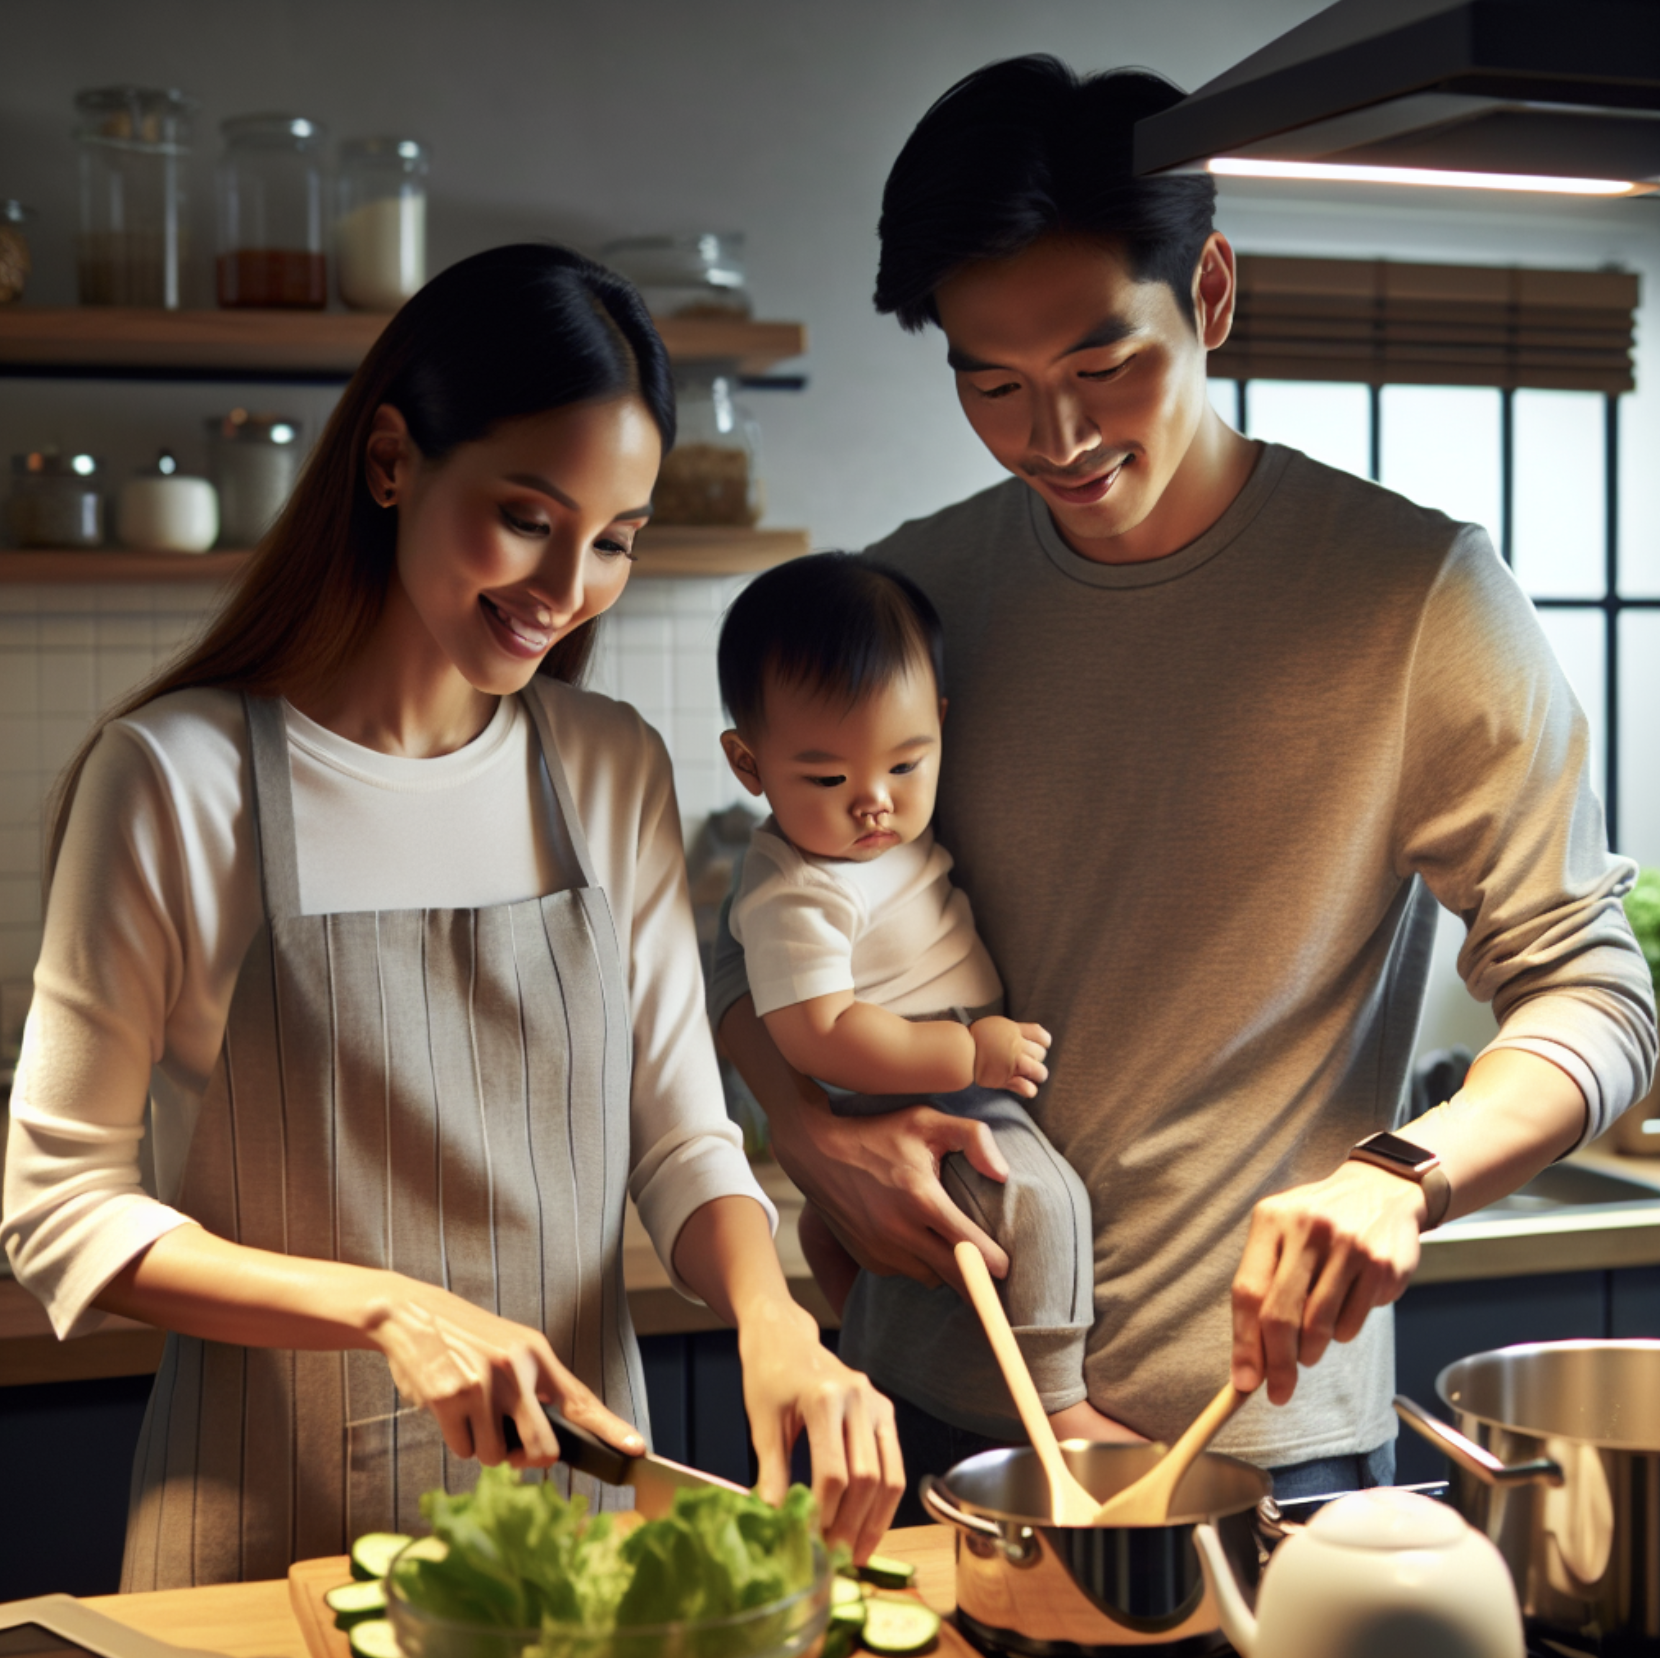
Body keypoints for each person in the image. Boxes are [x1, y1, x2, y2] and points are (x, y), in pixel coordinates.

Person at [710, 57, 1658, 1513]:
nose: (1061, 440)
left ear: (1209, 291)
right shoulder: (914, 595)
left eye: (1105, 367)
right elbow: (748, 945)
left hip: (1261, 1433)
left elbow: (1599, 996)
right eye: (997, 385)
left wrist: (1405, 1171)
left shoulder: (1415, 598)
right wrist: (817, 1130)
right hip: (911, 1411)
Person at [1, 245, 902, 1589]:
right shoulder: (177, 776)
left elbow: (678, 1130)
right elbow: (58, 1206)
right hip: (263, 1541)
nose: (569, 583)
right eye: (529, 515)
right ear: (390, 460)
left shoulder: (608, 767)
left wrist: (772, 1315)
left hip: (583, 1538)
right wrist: (385, 1306)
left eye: (615, 540)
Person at [714, 552, 1124, 1444]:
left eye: (906, 763)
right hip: (916, 1080)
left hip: (928, 1064)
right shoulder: (798, 888)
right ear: (748, 764)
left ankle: (848, 1283)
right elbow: (817, 1034)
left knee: (845, 1231)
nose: (873, 803)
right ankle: (1058, 1399)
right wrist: (965, 1053)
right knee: (1041, 1201)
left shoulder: (867, 835)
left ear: (939, 723)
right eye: (826, 780)